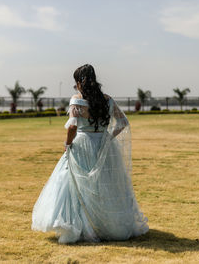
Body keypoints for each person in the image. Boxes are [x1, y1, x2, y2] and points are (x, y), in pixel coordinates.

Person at [31, 64, 148, 243]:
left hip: (82, 144)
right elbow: (123, 122)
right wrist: (108, 137)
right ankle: (105, 225)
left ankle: (80, 224)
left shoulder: (77, 100)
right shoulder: (107, 100)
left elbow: (72, 126)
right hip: (103, 144)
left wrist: (67, 144)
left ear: (79, 82)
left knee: (74, 183)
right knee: (104, 185)